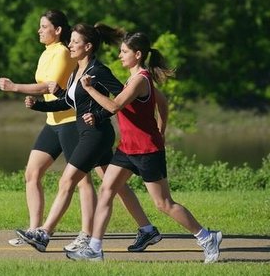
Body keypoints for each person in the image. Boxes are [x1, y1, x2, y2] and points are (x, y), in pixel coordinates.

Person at [66, 32, 222, 263]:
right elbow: (162, 102)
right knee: (106, 190)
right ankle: (95, 249)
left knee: (163, 204)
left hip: (147, 150)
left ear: (137, 54)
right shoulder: (132, 79)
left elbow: (115, 105)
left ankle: (207, 237)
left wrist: (89, 89)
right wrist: (162, 126)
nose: (120, 55)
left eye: (124, 52)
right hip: (127, 148)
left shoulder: (140, 79)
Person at [15, 23, 162, 253]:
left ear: (88, 46)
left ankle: (44, 233)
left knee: (67, 181)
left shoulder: (99, 71)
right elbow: (69, 102)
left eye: (75, 41)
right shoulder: (77, 70)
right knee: (115, 185)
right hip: (89, 133)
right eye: (71, 41)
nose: (70, 45)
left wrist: (100, 114)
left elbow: (119, 99)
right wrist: (39, 105)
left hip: (96, 135)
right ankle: (147, 229)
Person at [0, 10, 102, 251]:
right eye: (40, 26)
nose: (39, 30)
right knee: (32, 174)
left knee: (82, 180)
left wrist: (15, 87)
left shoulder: (63, 52)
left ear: (58, 30)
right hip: (52, 122)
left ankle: (87, 233)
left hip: (69, 122)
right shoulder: (47, 53)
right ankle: (34, 230)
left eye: (44, 26)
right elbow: (46, 87)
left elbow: (47, 85)